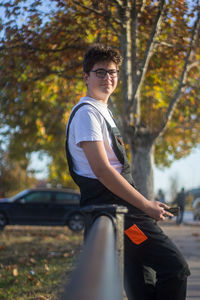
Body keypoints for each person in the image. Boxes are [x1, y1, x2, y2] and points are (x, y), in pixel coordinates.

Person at [65, 44, 190, 300]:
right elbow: (101, 170)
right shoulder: (87, 114)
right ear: (86, 76)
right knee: (176, 268)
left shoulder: (103, 111)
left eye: (112, 72)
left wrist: (145, 203)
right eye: (100, 72)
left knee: (142, 282)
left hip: (123, 214)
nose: (107, 77)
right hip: (121, 214)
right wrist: (145, 206)